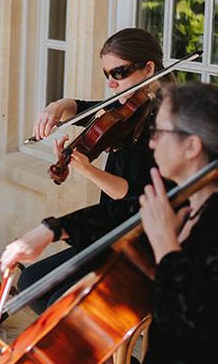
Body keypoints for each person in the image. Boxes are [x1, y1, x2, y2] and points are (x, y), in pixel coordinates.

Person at [0, 81, 218, 364]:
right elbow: (123, 213)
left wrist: (167, 251)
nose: (152, 143)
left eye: (160, 133)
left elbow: (191, 329)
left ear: (192, 146)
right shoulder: (185, 200)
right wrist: (49, 231)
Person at [19, 28, 164, 313]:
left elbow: (137, 195)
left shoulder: (163, 124)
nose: (111, 84)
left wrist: (87, 170)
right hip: (107, 233)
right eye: (106, 74)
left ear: (149, 68)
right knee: (31, 283)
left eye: (119, 73)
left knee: (59, 302)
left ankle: (107, 357)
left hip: (138, 245)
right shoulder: (126, 107)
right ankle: (110, 361)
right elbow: (84, 108)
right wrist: (57, 106)